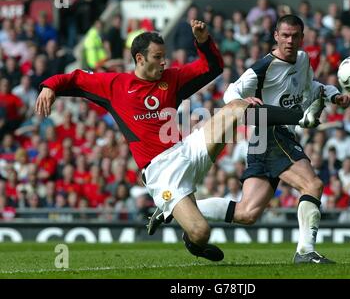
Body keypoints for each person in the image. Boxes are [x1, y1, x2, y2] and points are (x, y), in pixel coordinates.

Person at [35, 19, 324, 262]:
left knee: (237, 108)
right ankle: (189, 234)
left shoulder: (171, 79)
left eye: (165, 56)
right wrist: (50, 87)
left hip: (187, 148)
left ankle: (299, 116)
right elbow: (73, 78)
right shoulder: (115, 85)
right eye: (158, 58)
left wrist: (204, 41)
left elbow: (213, 68)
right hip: (162, 173)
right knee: (201, 233)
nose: (164, 62)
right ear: (139, 59)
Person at [147, 15, 350, 264]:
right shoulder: (263, 67)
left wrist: (333, 95)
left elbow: (311, 86)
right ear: (276, 36)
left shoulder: (303, 59)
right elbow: (231, 91)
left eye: (294, 36)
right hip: (271, 132)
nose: (289, 40)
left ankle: (178, 209)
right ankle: (306, 252)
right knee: (313, 185)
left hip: (264, 141)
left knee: (247, 213)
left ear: (301, 37)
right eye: (284, 35)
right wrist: (243, 101)